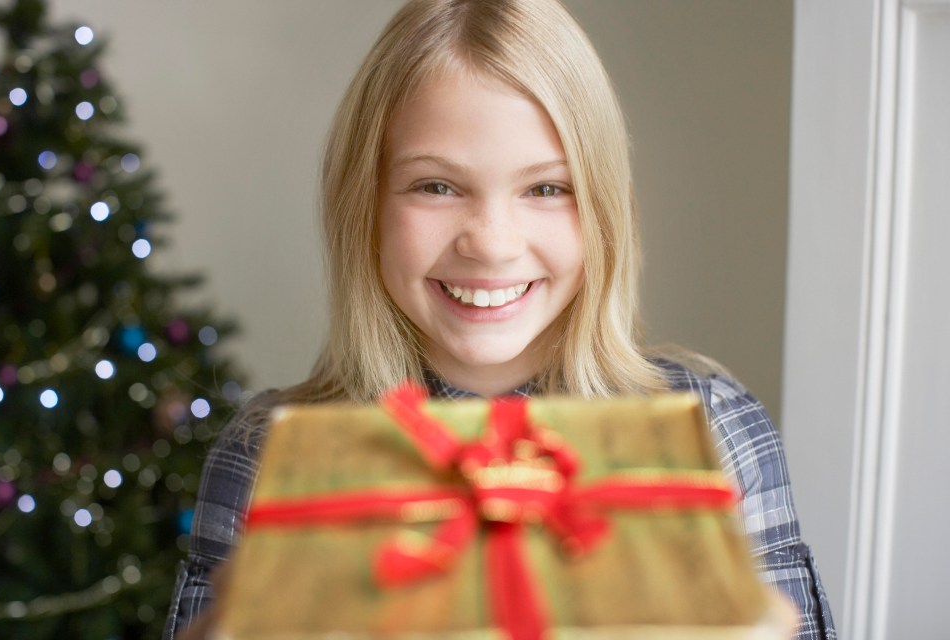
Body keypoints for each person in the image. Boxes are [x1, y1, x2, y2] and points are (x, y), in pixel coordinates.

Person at [164, 1, 835, 638]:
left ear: (603, 208)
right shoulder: (266, 461)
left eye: (547, 188)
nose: (490, 241)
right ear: (364, 204)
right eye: (437, 186)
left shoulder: (713, 434)